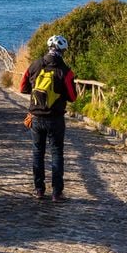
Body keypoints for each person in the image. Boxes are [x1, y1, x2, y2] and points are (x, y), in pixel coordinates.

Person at [19, 34, 77, 202]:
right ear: (63, 51)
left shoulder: (35, 65)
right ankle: (56, 193)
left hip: (36, 117)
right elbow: (73, 97)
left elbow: (22, 87)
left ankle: (39, 189)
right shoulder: (65, 71)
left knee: (38, 152)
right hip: (56, 119)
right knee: (57, 153)